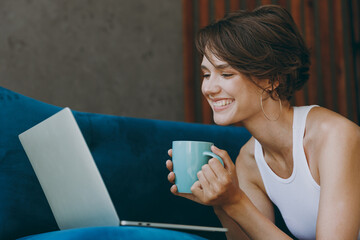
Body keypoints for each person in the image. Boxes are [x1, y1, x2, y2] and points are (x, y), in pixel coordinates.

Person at [166, 5, 360, 240]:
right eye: (207, 75)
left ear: (272, 80)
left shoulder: (335, 137)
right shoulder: (249, 160)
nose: (209, 88)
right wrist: (222, 201)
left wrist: (237, 201)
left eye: (226, 74)